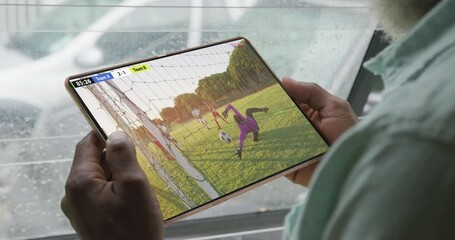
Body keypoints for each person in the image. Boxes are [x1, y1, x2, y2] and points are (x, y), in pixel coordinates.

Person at [61, 0, 455, 239]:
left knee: (241, 141)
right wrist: (346, 168)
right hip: (244, 131)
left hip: (245, 130)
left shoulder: (421, 138)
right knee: (240, 141)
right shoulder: (420, 124)